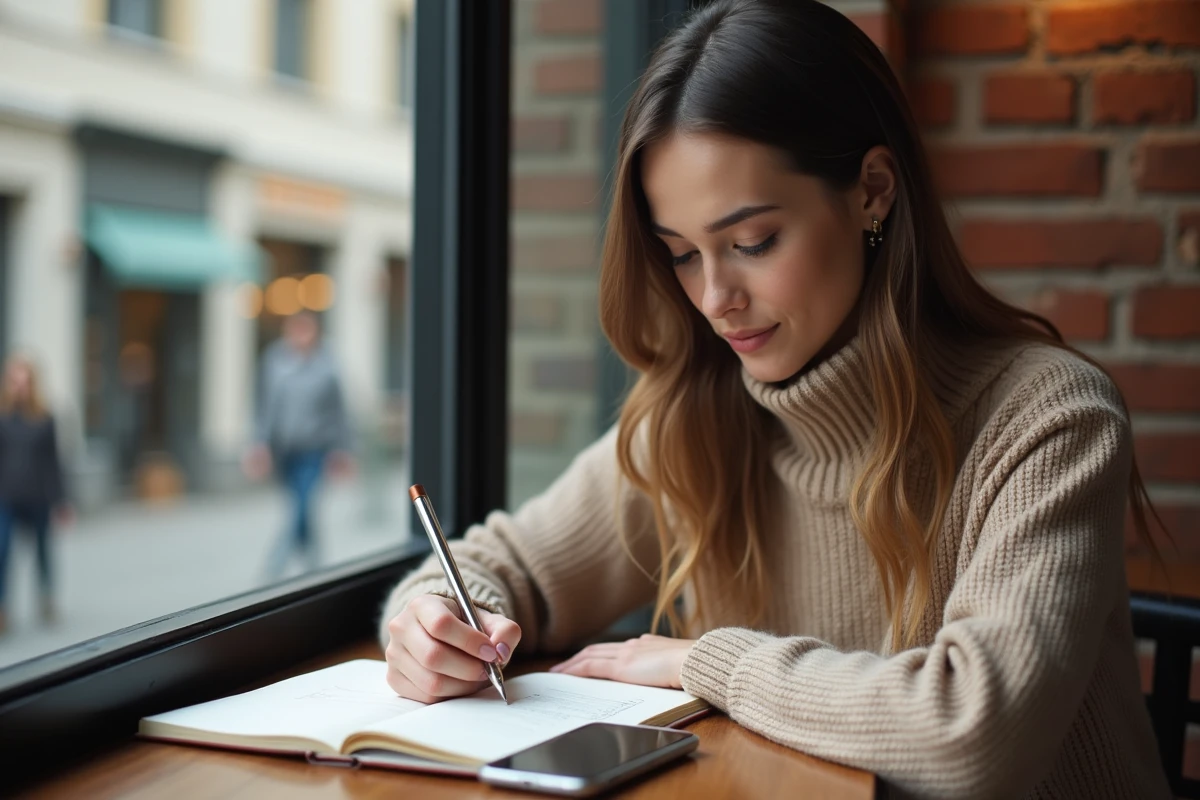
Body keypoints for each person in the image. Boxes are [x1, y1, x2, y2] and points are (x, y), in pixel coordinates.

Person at [378, 1, 1170, 796]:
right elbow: (493, 567)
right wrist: (435, 624)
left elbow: (971, 733)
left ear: (872, 191)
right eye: (682, 254)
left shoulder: (1049, 419)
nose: (715, 297)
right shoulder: (694, 419)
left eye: (752, 243)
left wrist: (702, 661)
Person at [245, 311, 353, 579]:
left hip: (315, 450)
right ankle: (314, 566)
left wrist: (343, 450)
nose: (302, 336)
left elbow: (339, 412)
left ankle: (274, 567)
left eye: (307, 330)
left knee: (301, 507)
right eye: (297, 330)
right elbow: (264, 407)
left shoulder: (327, 365)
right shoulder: (274, 361)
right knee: (298, 508)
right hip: (283, 450)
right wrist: (258, 444)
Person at [0, 354, 70, 634]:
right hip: (6, 496)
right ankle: (2, 608)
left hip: (38, 495)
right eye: (14, 381)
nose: (19, 387)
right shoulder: (2, 418)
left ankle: (46, 597)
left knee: (43, 550)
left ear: (32, 383)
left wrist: (61, 500)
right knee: (2, 551)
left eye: (24, 381)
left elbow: (54, 462)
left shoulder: (45, 419)